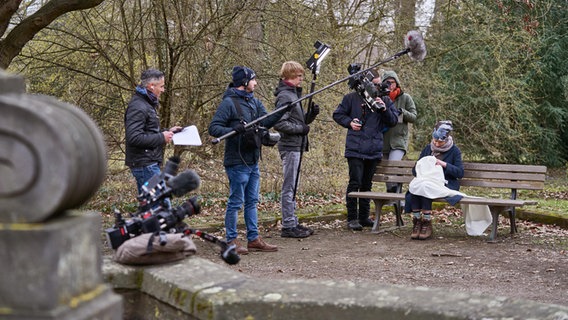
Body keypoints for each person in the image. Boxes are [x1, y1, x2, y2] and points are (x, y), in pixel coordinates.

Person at [208, 66, 285, 254]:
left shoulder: (255, 102)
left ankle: (254, 238)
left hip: (252, 160)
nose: (255, 83)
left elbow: (265, 121)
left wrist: (282, 111)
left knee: (252, 201)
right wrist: (233, 130)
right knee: (236, 201)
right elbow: (214, 128)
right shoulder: (228, 103)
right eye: (253, 80)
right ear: (244, 82)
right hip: (236, 161)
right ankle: (232, 240)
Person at [333, 69, 399, 231]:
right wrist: (349, 123)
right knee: (355, 182)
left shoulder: (383, 99)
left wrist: (384, 110)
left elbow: (393, 121)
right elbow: (338, 114)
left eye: (379, 84)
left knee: (367, 184)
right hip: (355, 147)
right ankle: (352, 218)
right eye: (375, 84)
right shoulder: (351, 98)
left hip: (373, 148)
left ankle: (363, 217)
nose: (378, 88)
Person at [273, 61, 320, 238]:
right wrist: (301, 130)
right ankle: (288, 225)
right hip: (290, 146)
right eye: (299, 76)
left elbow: (299, 121)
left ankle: (291, 220)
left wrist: (311, 115)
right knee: (289, 186)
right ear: (291, 76)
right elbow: (279, 122)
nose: (301, 79)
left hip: (297, 145)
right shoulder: (285, 96)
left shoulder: (293, 94)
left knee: (293, 186)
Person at [124, 68, 182, 195]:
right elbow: (134, 137)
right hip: (146, 166)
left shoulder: (146, 104)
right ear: (151, 86)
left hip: (147, 164)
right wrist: (161, 137)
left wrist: (168, 131)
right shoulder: (139, 106)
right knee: (161, 205)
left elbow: (147, 132)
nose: (163, 90)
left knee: (150, 207)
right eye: (161, 86)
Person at [407, 120, 464, 240]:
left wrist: (443, 164)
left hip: (446, 183)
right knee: (419, 186)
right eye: (435, 140)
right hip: (426, 181)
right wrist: (423, 165)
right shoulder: (428, 149)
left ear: (447, 139)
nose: (437, 144)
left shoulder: (454, 151)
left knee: (426, 187)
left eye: (440, 141)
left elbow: (460, 173)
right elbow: (415, 171)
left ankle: (426, 222)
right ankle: (417, 221)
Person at [380, 70, 418, 192]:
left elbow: (414, 117)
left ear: (397, 83)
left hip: (399, 140)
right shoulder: (380, 98)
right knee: (387, 170)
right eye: (387, 82)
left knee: (393, 166)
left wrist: (402, 112)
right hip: (383, 140)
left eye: (392, 82)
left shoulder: (405, 98)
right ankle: (392, 196)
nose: (390, 85)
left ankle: (397, 196)